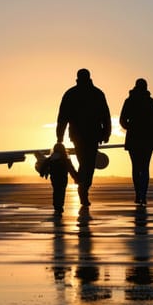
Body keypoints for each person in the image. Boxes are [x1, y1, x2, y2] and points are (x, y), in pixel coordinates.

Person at [56, 68, 111, 209]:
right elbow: (106, 116)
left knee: (85, 163)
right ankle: (83, 188)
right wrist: (106, 133)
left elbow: (62, 117)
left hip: (81, 135)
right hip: (91, 135)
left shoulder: (71, 94)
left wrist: (60, 135)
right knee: (88, 164)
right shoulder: (97, 93)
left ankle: (82, 185)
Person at [119, 78, 153, 205]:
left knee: (136, 167)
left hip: (133, 139)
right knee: (145, 167)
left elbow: (122, 120)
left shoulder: (129, 101)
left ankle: (138, 194)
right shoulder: (150, 102)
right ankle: (143, 194)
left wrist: (130, 127)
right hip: (147, 139)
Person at [36, 143, 78, 215]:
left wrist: (42, 173)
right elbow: (70, 168)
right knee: (62, 192)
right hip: (63, 178)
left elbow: (44, 165)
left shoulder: (51, 158)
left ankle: (56, 205)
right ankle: (60, 206)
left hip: (54, 178)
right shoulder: (65, 159)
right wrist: (75, 177)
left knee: (56, 191)